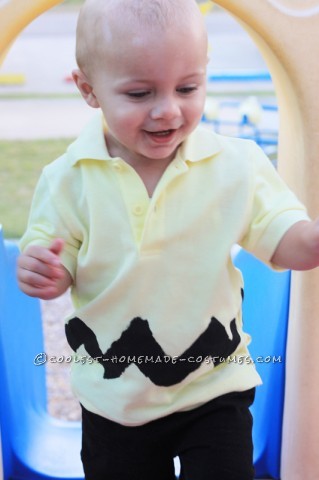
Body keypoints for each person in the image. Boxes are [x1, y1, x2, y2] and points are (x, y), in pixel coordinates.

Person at [17, 0, 319, 478]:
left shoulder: (235, 165)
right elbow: (54, 264)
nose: (168, 110)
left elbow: (288, 241)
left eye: (187, 87)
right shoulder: (68, 179)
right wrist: (45, 270)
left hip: (214, 386)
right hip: (115, 397)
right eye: (139, 93)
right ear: (88, 90)